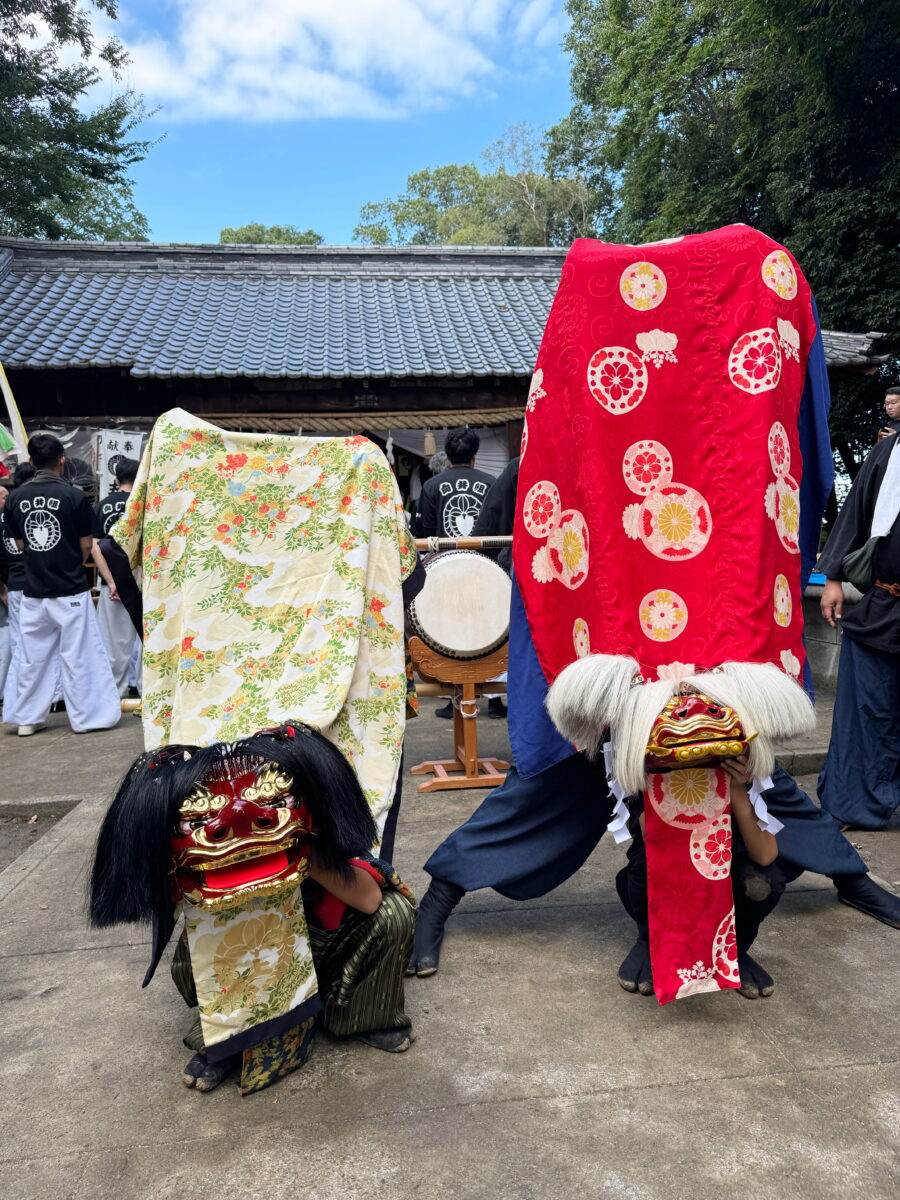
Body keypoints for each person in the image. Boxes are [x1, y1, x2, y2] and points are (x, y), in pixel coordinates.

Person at [90, 722, 417, 1095]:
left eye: (275, 801)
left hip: (329, 948)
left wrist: (304, 851)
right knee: (192, 952)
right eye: (198, 818)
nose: (242, 822)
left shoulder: (315, 837)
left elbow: (369, 899)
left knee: (393, 913)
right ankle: (227, 1040)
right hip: (242, 958)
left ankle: (361, 1016)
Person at [4, 433, 120, 736]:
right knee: (80, 655)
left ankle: (27, 719)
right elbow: (86, 543)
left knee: (31, 657)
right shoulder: (74, 496)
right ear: (62, 462)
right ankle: (88, 718)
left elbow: (20, 542)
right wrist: (68, 563)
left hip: (33, 589)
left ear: (31, 461)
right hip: (70, 587)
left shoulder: (14, 497)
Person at [817, 432, 899, 828]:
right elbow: (855, 511)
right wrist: (833, 576)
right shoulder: (889, 450)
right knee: (866, 711)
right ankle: (853, 804)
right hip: (885, 604)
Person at [93, 457, 140, 698]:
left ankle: (115, 692)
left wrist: (111, 582)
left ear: (116, 479)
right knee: (146, 640)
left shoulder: (102, 506)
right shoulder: (144, 505)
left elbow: (95, 548)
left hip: (112, 581)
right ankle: (147, 691)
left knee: (114, 643)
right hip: (141, 582)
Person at [410, 427, 494, 540]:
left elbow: (423, 529)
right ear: (474, 457)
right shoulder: (491, 483)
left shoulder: (431, 486)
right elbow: (499, 524)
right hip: (482, 556)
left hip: (444, 556)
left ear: (448, 457)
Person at [0, 463, 35, 721]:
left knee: (19, 646)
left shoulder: (9, 511)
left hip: (14, 585)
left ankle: (13, 702)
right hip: (34, 584)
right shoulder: (26, 508)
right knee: (37, 646)